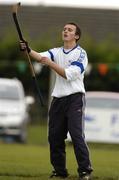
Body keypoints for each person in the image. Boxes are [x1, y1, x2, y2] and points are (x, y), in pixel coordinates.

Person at [20, 22, 93, 180]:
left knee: (76, 135)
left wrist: (50, 63)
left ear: (76, 36)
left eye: (70, 30)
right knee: (54, 136)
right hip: (58, 99)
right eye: (64, 29)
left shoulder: (81, 54)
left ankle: (85, 170)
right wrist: (28, 49)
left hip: (75, 99)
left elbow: (68, 74)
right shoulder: (56, 51)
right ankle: (60, 172)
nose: (66, 31)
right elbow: (40, 57)